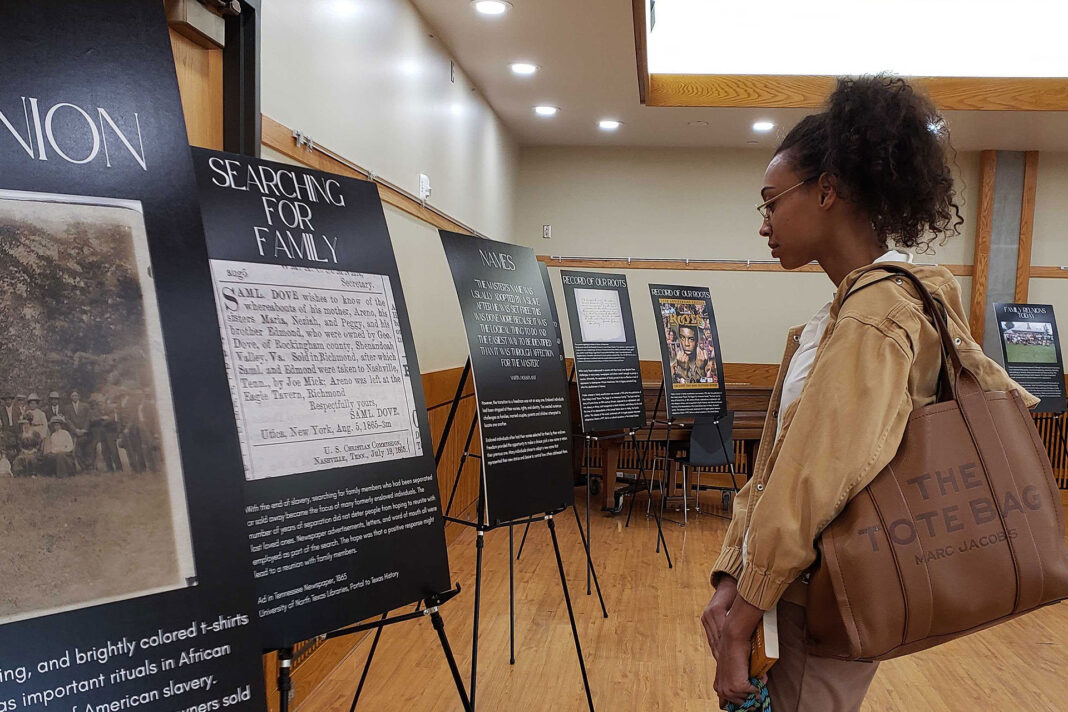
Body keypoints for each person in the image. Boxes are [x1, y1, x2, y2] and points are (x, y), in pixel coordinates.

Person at [701, 75, 1039, 711]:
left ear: (827, 190)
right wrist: (731, 574)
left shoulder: (872, 315)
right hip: (808, 586)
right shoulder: (853, 311)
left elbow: (813, 480)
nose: (765, 224)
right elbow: (783, 465)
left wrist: (744, 608)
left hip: (817, 595)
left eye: (772, 203)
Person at [63, 390, 92, 470]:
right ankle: (82, 467)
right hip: (74, 432)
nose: (74, 397)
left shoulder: (85, 406)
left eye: (76, 395)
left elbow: (88, 418)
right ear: (70, 397)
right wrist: (75, 430)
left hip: (85, 432)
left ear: (79, 396)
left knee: (87, 450)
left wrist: (84, 429)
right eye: (73, 396)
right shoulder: (67, 408)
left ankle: (89, 466)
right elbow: (68, 420)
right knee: (77, 451)